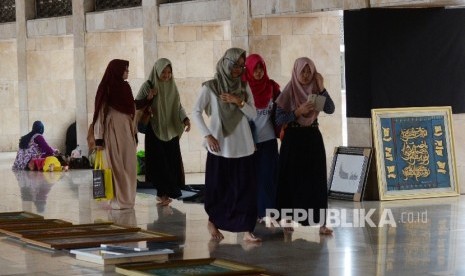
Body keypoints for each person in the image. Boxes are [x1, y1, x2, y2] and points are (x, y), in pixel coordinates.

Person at [192, 47, 260, 242]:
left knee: (245, 188)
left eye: (241, 65)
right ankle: (213, 221)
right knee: (218, 188)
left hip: (243, 146)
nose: (238, 69)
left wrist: (238, 101)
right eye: (235, 65)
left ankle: (247, 228)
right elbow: (195, 112)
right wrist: (207, 135)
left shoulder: (244, 87)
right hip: (220, 147)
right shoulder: (211, 87)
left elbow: (253, 115)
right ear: (225, 63)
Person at [274, 57, 335, 235]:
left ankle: (322, 223)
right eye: (303, 71)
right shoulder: (288, 91)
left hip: (312, 138)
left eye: (309, 71)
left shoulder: (317, 91)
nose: (306, 75)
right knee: (290, 179)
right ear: (296, 72)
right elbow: (278, 119)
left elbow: (330, 109)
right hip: (293, 139)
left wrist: (322, 87)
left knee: (316, 179)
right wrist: (297, 112)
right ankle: (287, 219)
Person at [135, 58, 191, 206]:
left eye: (169, 72)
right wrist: (149, 98)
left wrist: (185, 119)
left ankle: (167, 193)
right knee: (159, 164)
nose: (166, 75)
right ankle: (161, 194)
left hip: (170, 130)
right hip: (154, 129)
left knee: (171, 163)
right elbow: (136, 104)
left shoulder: (173, 86)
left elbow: (178, 106)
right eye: (163, 72)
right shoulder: (148, 86)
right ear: (157, 71)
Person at [92, 59, 137, 210]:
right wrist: (98, 138)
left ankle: (128, 199)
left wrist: (134, 132)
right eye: (125, 69)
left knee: (129, 165)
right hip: (112, 130)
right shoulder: (107, 87)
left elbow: (132, 111)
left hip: (126, 130)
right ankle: (118, 199)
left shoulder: (126, 87)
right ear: (117, 70)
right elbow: (100, 113)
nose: (127, 72)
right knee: (116, 165)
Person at [242, 54, 280, 222]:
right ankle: (256, 212)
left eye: (260, 68)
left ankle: (268, 212)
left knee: (269, 176)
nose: (258, 72)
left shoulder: (272, 87)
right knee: (252, 178)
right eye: (254, 69)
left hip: (269, 140)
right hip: (250, 141)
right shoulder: (243, 89)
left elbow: (281, 108)